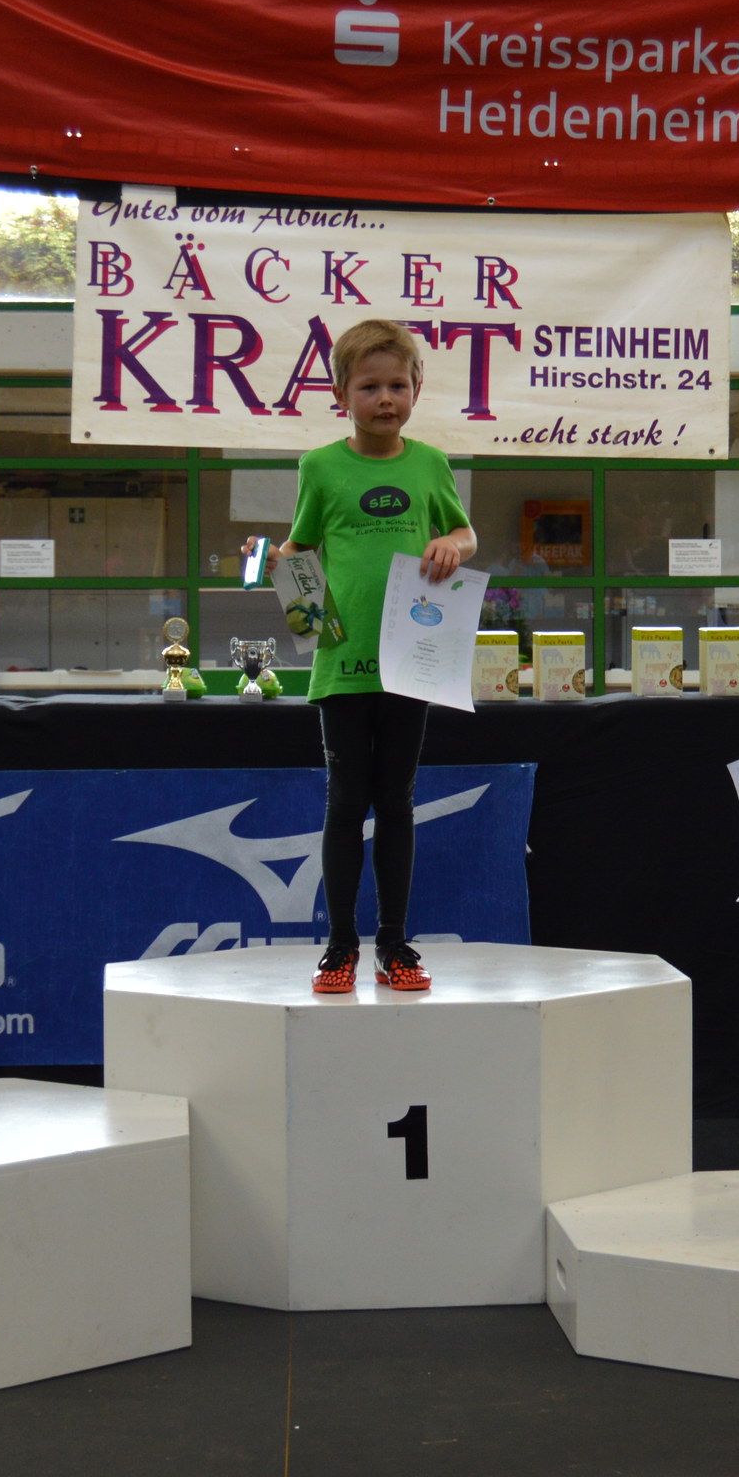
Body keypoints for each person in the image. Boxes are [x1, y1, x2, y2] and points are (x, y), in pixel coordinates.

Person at [281, 317, 476, 994]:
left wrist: (452, 544)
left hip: (411, 662)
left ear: (416, 389)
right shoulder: (319, 467)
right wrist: (295, 595)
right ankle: (340, 947)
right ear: (341, 394)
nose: (385, 399)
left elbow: (464, 532)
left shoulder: (429, 463)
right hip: (341, 664)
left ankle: (395, 944)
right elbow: (298, 548)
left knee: (396, 802)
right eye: (369, 387)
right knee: (345, 803)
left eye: (397, 385)